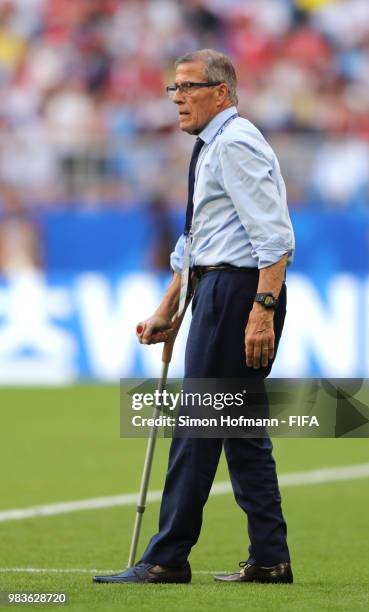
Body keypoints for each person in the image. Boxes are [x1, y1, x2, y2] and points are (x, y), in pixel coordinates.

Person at [93, 49, 295, 585]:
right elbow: (202, 235)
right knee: (239, 429)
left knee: (199, 424)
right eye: (172, 89)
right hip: (217, 288)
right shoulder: (214, 146)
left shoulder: (236, 144)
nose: (177, 98)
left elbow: (273, 239)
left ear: (221, 92)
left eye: (188, 87)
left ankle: (167, 558)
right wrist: (170, 305)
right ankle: (271, 557)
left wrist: (262, 310)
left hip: (239, 292)